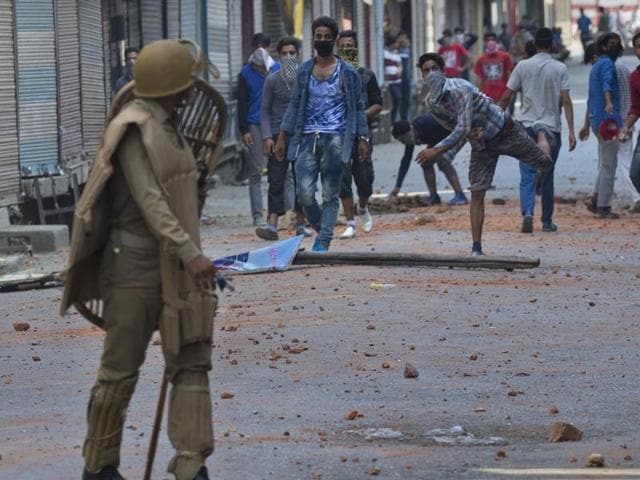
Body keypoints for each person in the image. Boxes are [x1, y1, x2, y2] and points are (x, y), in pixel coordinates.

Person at [61, 40, 218, 480]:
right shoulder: (132, 129)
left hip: (179, 266)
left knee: (191, 363)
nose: (191, 92)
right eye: (185, 84)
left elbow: (180, 191)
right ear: (172, 87)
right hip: (135, 266)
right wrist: (190, 253)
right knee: (119, 372)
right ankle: (100, 466)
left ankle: (191, 464)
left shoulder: (171, 126)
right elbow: (151, 203)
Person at [419, 52, 552, 256]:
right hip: (482, 145)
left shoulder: (459, 88)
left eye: (434, 69)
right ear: (422, 76)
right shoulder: (431, 103)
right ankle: (476, 248)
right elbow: (454, 126)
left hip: (506, 132)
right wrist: (470, 133)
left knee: (544, 163)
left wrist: (436, 150)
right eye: (426, 70)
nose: (431, 74)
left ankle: (541, 132)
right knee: (477, 191)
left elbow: (461, 127)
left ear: (443, 71)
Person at [276, 16, 369, 252]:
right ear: (313, 39)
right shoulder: (305, 70)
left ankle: (323, 240)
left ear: (334, 40)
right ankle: (323, 229)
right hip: (307, 139)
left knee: (330, 193)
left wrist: (362, 137)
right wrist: (282, 136)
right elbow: (295, 105)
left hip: (336, 138)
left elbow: (358, 106)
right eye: (319, 36)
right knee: (305, 194)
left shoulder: (348, 72)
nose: (323, 40)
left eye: (327, 37)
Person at [498, 27, 577, 234]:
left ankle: (527, 213)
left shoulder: (522, 66)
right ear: (552, 44)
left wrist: (496, 118)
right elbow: (566, 101)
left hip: (526, 128)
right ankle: (547, 222)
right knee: (547, 175)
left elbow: (507, 96)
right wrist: (571, 131)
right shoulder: (559, 68)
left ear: (535, 44)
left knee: (527, 174)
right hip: (552, 128)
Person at [256, 36, 311, 241]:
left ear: (298, 55)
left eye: (292, 53)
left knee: (302, 181)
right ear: (279, 56)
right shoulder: (272, 80)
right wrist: (267, 136)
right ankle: (272, 225)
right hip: (278, 137)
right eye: (285, 53)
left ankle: (300, 224)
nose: (288, 57)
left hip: (300, 136)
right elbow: (264, 111)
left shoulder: (305, 80)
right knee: (276, 180)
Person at [335, 30, 382, 239]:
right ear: (337, 49)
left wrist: (360, 116)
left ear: (357, 49)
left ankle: (362, 207)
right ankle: (350, 222)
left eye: (350, 47)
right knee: (342, 177)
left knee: (365, 177)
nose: (346, 50)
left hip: (362, 133)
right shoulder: (329, 76)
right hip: (337, 135)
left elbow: (378, 104)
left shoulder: (366, 75)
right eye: (343, 47)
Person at [579, 33, 623, 219]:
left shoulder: (596, 66)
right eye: (611, 44)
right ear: (603, 47)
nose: (614, 47)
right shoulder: (607, 64)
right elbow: (606, 85)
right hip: (609, 121)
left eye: (616, 44)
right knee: (609, 165)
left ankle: (597, 199)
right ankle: (603, 207)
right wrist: (608, 102)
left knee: (605, 163)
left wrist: (586, 125)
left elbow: (590, 98)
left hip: (598, 121)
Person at [238, 33, 280, 227]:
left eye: (264, 45)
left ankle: (286, 212)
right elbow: (242, 102)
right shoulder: (245, 73)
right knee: (255, 170)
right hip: (254, 124)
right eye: (257, 46)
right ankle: (257, 214)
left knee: (282, 170)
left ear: (270, 48)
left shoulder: (279, 68)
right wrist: (244, 129)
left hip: (276, 123)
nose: (260, 49)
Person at [390, 114, 468, 205]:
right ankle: (434, 196)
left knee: (443, 161)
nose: (405, 143)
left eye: (403, 140)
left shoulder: (428, 125)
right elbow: (406, 161)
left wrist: (437, 152)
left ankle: (460, 195)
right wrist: (398, 186)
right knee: (425, 161)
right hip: (440, 139)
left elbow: (446, 138)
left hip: (456, 132)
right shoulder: (411, 136)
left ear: (409, 132)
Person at [618, 32, 640, 211]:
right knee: (635, 174)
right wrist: (625, 127)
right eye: (638, 46)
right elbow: (636, 108)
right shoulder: (634, 77)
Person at [473, 32, 513, 102]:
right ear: (484, 42)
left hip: (502, 94)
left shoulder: (505, 57)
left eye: (493, 40)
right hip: (486, 95)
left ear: (496, 42)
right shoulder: (481, 59)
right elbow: (479, 78)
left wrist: (510, 92)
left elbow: (509, 74)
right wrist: (477, 93)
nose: (490, 42)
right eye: (488, 40)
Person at [384, 33, 403, 122]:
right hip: (388, 82)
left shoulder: (397, 54)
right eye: (396, 43)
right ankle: (390, 120)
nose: (397, 45)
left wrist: (400, 70)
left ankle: (393, 119)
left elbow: (400, 65)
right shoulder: (384, 53)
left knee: (397, 98)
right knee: (391, 101)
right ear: (392, 43)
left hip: (397, 81)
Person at [397, 31, 412, 121]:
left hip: (406, 76)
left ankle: (404, 117)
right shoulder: (395, 51)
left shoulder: (407, 50)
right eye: (402, 39)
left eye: (405, 39)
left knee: (406, 97)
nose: (404, 41)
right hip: (396, 77)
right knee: (398, 97)